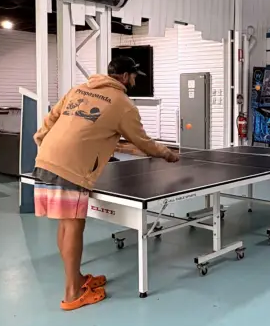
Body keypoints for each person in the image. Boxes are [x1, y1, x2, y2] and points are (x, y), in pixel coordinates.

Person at [33, 55, 179, 310]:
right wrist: (167, 153)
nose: (134, 81)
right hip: (72, 167)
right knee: (73, 226)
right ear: (125, 76)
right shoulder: (123, 104)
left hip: (46, 159)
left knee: (66, 224)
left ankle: (77, 278)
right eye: (134, 77)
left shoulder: (78, 89)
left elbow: (51, 118)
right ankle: (72, 293)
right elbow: (142, 142)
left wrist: (41, 140)